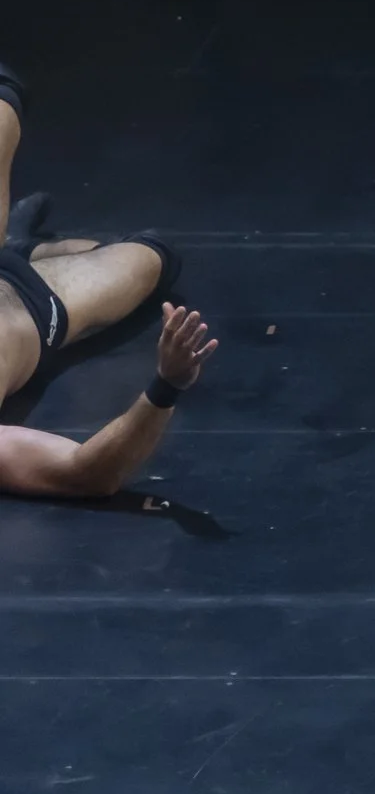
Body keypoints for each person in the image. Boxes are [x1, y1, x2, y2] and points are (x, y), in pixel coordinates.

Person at [0, 65, 215, 500]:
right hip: (34, 301)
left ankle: (15, 242)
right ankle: (22, 247)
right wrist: (166, 385)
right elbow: (85, 473)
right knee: (154, 255)